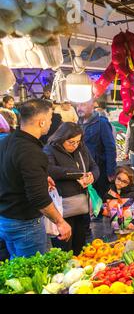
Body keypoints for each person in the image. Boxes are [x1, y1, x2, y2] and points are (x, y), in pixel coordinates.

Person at [0, 99, 71, 258]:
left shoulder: (7, 141)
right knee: (34, 274)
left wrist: (41, 176)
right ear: (41, 122)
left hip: (5, 219)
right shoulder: (31, 151)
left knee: (17, 271)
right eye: (51, 117)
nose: (52, 122)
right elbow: (39, 198)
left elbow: (11, 171)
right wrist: (60, 222)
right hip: (25, 224)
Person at [43, 123, 99, 255]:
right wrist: (79, 174)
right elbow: (51, 170)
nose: (74, 145)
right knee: (64, 250)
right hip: (62, 208)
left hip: (81, 205)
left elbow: (94, 166)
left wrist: (92, 176)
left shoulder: (81, 148)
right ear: (61, 138)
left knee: (80, 247)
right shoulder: (50, 149)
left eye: (77, 142)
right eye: (71, 142)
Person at [77, 100, 117, 199]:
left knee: (100, 199)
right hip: (83, 169)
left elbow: (110, 148)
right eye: (78, 105)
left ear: (92, 106)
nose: (79, 107)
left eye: (83, 104)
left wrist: (111, 171)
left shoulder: (101, 123)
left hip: (99, 169)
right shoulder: (78, 123)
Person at [102, 166, 134, 232]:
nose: (120, 183)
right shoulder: (109, 194)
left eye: (124, 182)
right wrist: (102, 210)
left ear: (130, 183)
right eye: (119, 179)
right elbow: (106, 209)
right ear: (115, 177)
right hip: (115, 230)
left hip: (132, 229)